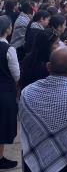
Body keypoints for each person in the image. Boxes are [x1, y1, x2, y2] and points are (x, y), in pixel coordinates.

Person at [0, 16, 19, 170]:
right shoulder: (8, 49)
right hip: (4, 92)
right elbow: (16, 74)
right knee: (2, 126)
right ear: (7, 29)